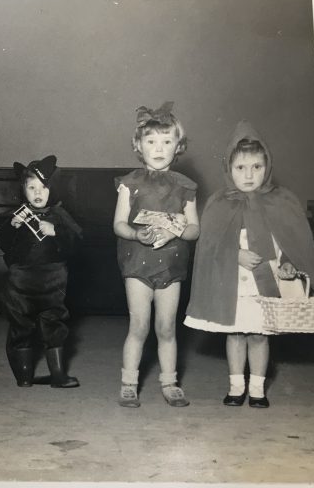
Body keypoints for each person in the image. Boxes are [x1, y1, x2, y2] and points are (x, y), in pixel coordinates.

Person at [184, 120, 314, 408]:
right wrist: (235, 254)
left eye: (256, 167)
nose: (248, 176)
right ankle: (236, 386)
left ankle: (257, 389)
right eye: (240, 168)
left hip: (265, 283)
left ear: (267, 166)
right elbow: (209, 245)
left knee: (260, 336)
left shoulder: (281, 201)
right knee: (235, 334)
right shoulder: (219, 202)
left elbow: (289, 243)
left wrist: (287, 264)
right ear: (229, 169)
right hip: (233, 283)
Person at [113, 102, 199, 408]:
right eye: (151, 141)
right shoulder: (129, 183)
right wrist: (136, 233)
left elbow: (194, 230)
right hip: (137, 261)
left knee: (166, 326)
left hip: (172, 262)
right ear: (138, 145)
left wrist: (178, 229)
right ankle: (129, 382)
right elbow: (119, 224)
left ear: (179, 146)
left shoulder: (186, 186)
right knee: (139, 325)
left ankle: (169, 381)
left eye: (167, 141)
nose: (159, 148)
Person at [0, 155, 83, 388]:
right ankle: (23, 376)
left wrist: (57, 232)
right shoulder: (18, 215)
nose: (37, 192)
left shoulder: (60, 215)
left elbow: (77, 241)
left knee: (54, 323)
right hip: (20, 283)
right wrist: (12, 227)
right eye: (31, 187)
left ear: (53, 190)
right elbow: (0, 243)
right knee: (20, 325)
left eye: (43, 187)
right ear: (23, 191)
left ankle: (58, 375)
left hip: (53, 281)